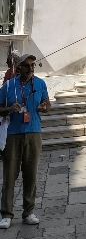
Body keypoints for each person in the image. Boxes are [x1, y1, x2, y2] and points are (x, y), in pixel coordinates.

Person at [0, 54, 51, 228]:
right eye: (27, 66)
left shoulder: (40, 84)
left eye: (33, 65)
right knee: (9, 175)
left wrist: (44, 107)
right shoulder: (8, 86)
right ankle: (6, 214)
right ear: (19, 68)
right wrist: (9, 109)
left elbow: (47, 103)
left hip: (34, 133)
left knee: (31, 175)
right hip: (12, 134)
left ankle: (28, 212)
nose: (31, 68)